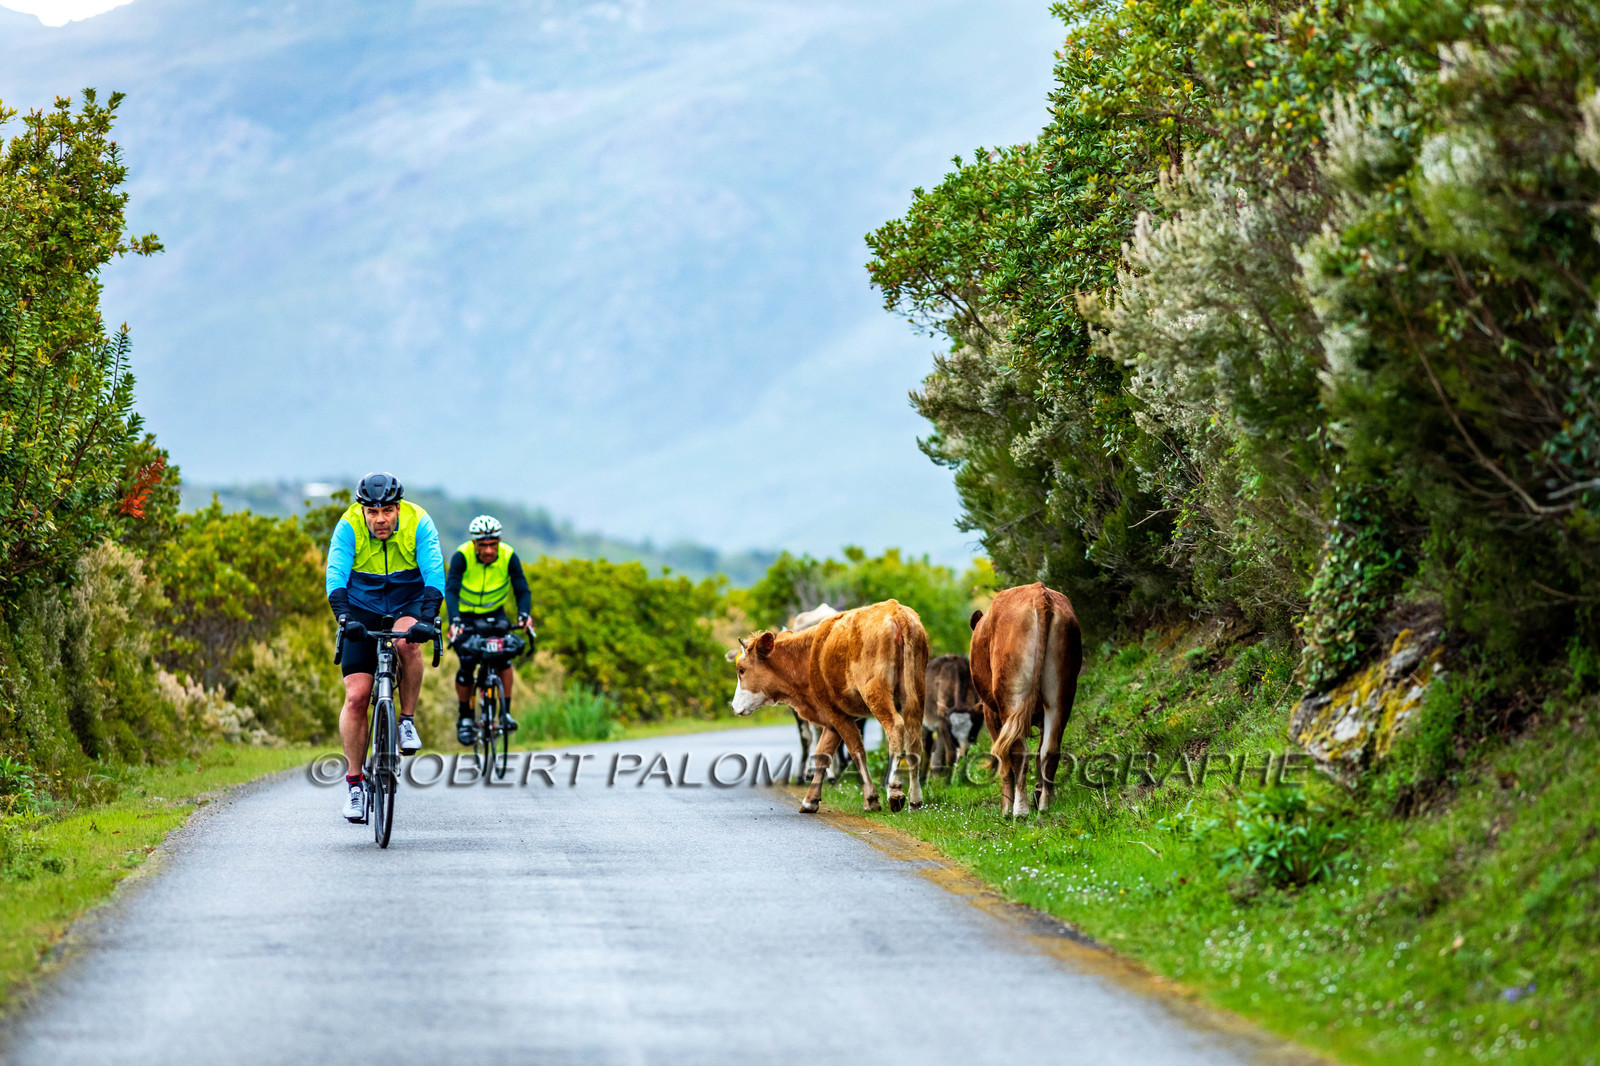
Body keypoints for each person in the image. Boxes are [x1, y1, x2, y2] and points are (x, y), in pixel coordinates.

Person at [325, 472, 445, 821]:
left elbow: (434, 573)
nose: (380, 519)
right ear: (362, 510)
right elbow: (335, 574)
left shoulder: (418, 521)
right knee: (357, 696)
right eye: (373, 511)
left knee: (407, 644)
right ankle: (354, 785)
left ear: (399, 508)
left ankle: (406, 720)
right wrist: (345, 618)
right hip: (362, 607)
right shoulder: (348, 525)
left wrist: (428, 618)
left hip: (407, 603)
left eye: (388, 510)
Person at [446, 514, 535, 744]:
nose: (488, 550)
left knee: (503, 660)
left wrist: (524, 615)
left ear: (499, 541)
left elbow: (522, 589)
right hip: (466, 616)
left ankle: (504, 712)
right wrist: (454, 620)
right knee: (467, 665)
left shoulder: (508, 555)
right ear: (474, 543)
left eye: (492, 544)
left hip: (495, 615)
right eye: (483, 545)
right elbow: (452, 590)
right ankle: (465, 715)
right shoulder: (462, 556)